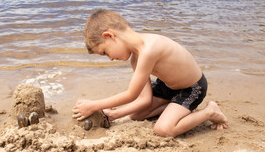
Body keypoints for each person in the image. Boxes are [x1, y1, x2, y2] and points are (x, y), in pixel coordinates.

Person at [72, 9, 228, 137]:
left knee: (163, 130)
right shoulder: (135, 59)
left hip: (192, 88)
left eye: (105, 52)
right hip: (167, 86)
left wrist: (93, 105)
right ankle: (173, 105)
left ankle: (210, 111)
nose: (111, 58)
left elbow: (131, 94)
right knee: (136, 115)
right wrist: (114, 114)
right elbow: (144, 99)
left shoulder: (150, 49)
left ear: (110, 36)